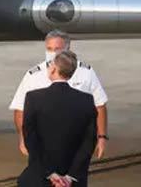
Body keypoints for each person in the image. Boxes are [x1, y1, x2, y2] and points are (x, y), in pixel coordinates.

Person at [10, 30, 109, 159]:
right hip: (43, 140)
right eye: (49, 49)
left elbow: (99, 105)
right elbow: (20, 110)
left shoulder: (85, 72)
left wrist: (101, 137)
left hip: (77, 139)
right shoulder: (33, 75)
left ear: (68, 49)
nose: (52, 53)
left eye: (57, 49)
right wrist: (23, 138)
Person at [18, 50, 97, 187]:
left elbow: (30, 138)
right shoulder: (86, 100)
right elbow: (89, 141)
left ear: (54, 69)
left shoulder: (34, 98)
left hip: (40, 178)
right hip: (73, 180)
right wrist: (70, 176)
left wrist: (50, 173)